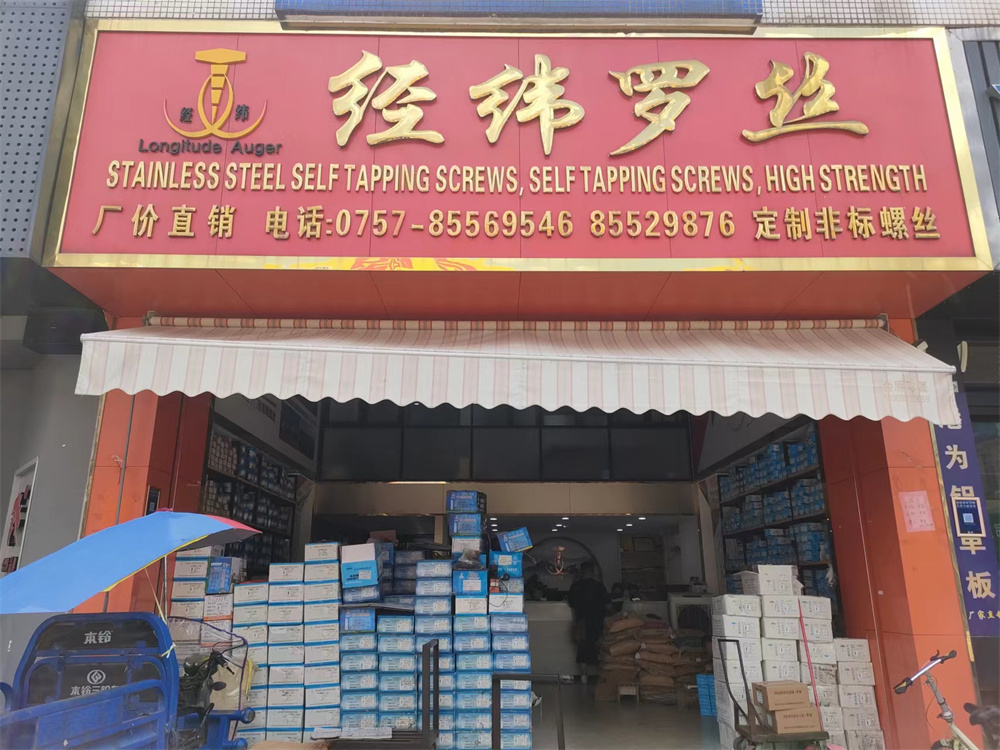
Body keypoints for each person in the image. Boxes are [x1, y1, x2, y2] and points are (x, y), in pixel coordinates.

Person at [567, 561, 608, 681]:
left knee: (582, 651)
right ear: (593, 571)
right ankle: (600, 677)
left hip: (581, 623)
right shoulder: (599, 587)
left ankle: (584, 676)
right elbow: (607, 605)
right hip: (597, 622)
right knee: (599, 649)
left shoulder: (575, 587)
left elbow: (571, 604)